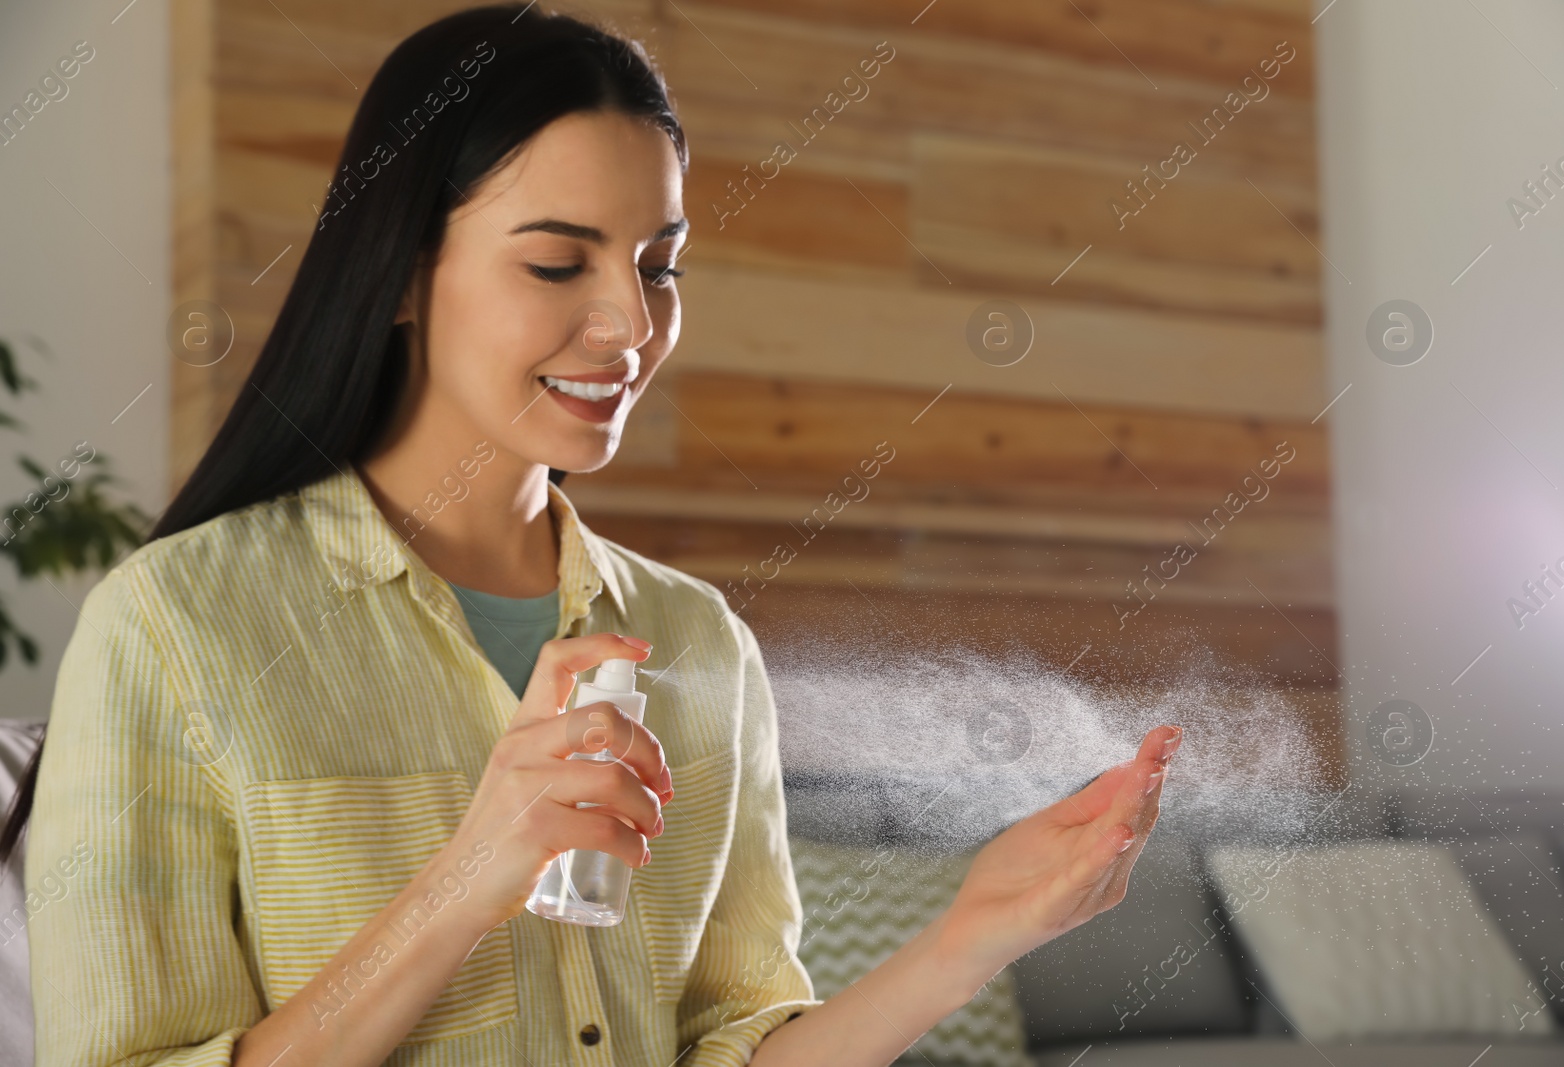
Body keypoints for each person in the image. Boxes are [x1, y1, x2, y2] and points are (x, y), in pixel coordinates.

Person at [13, 6, 1181, 1065]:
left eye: (659, 265)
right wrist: (472, 873)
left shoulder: (696, 640)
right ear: (404, 274)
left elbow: (734, 1040)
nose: (630, 323)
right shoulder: (175, 625)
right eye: (557, 260)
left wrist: (974, 936)